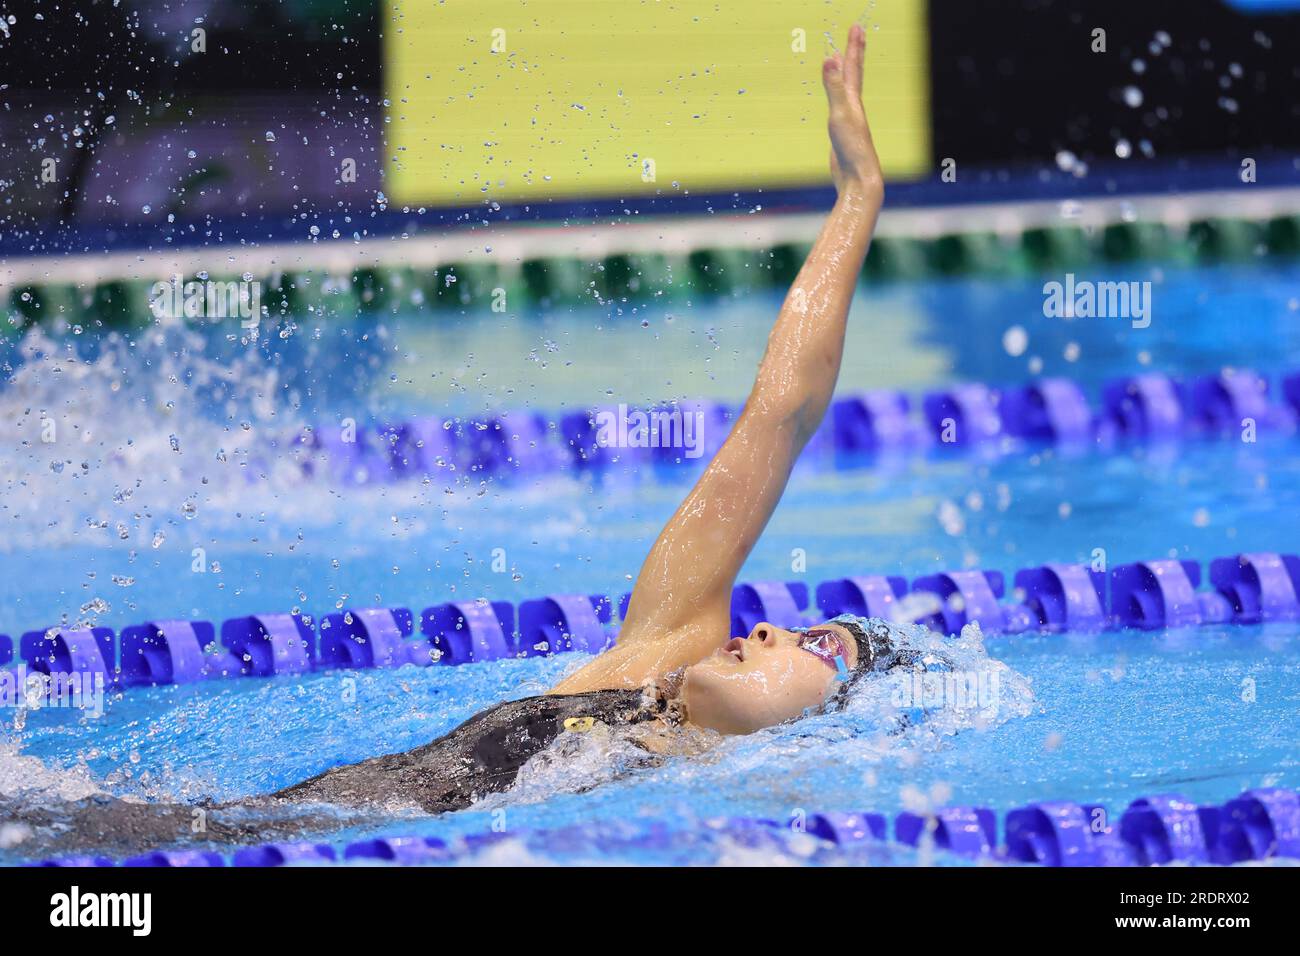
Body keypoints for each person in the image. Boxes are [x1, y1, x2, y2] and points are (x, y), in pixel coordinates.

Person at [273, 24, 925, 816]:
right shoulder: (658, 662)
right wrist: (859, 199)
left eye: (815, 647)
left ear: (830, 720)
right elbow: (778, 415)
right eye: (797, 628)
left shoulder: (729, 805)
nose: (766, 633)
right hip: (282, 820)